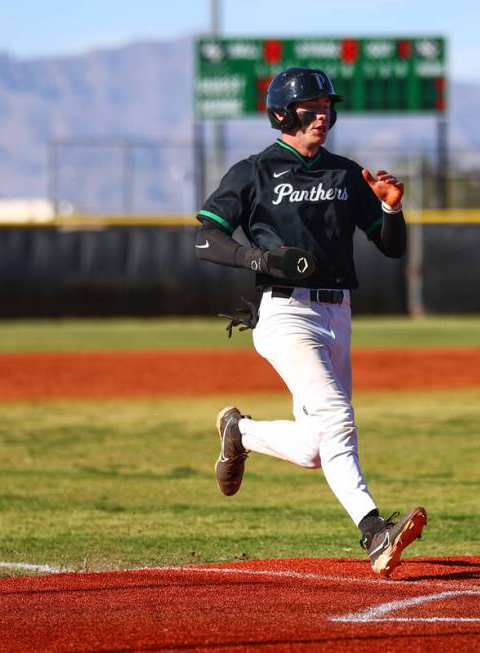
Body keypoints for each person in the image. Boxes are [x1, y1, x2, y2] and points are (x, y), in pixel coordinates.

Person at [194, 67, 427, 578]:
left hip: (337, 312)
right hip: (284, 313)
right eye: (310, 107)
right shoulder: (254, 171)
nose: (322, 114)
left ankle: (241, 432)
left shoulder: (345, 174)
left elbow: (391, 247)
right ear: (282, 113)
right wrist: (259, 260)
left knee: (316, 447)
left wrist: (393, 209)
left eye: (327, 106)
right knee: (339, 417)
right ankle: (374, 531)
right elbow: (206, 239)